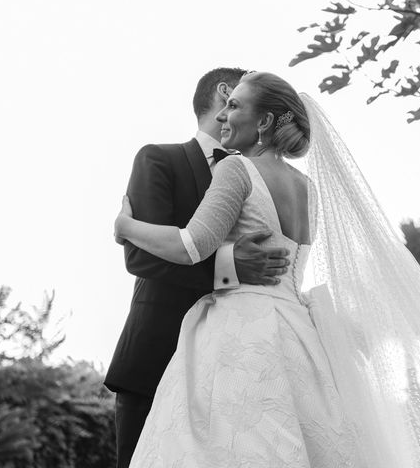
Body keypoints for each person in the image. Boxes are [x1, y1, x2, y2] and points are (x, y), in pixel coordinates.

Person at [114, 72, 420, 467]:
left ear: (263, 122)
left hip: (239, 330)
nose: (225, 116)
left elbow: (189, 244)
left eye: (235, 107)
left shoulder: (235, 171)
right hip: (297, 333)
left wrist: (127, 225)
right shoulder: (308, 189)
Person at [105, 67, 291, 468]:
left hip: (238, 360)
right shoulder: (158, 158)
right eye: (240, 95)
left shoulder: (263, 176)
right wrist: (229, 265)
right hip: (158, 352)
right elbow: (139, 257)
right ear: (226, 93)